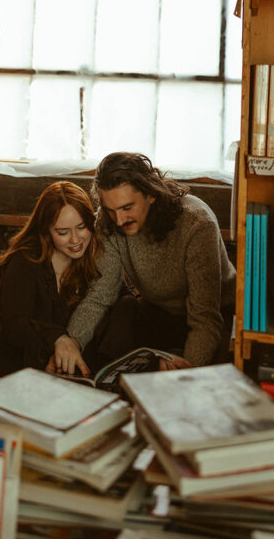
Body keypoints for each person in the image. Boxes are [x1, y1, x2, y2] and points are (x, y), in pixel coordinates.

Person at [53, 152, 236, 377]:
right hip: (159, 313)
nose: (119, 220)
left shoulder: (196, 223)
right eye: (111, 210)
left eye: (127, 207)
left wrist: (185, 376)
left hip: (215, 318)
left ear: (151, 194)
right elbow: (99, 297)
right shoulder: (108, 221)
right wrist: (70, 342)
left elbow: (205, 320)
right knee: (121, 313)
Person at [0, 181, 100, 382]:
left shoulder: (96, 260)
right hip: (11, 377)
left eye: (81, 227)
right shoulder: (24, 260)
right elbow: (15, 326)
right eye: (62, 232)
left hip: (61, 381)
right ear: (46, 231)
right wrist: (57, 338)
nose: (75, 240)